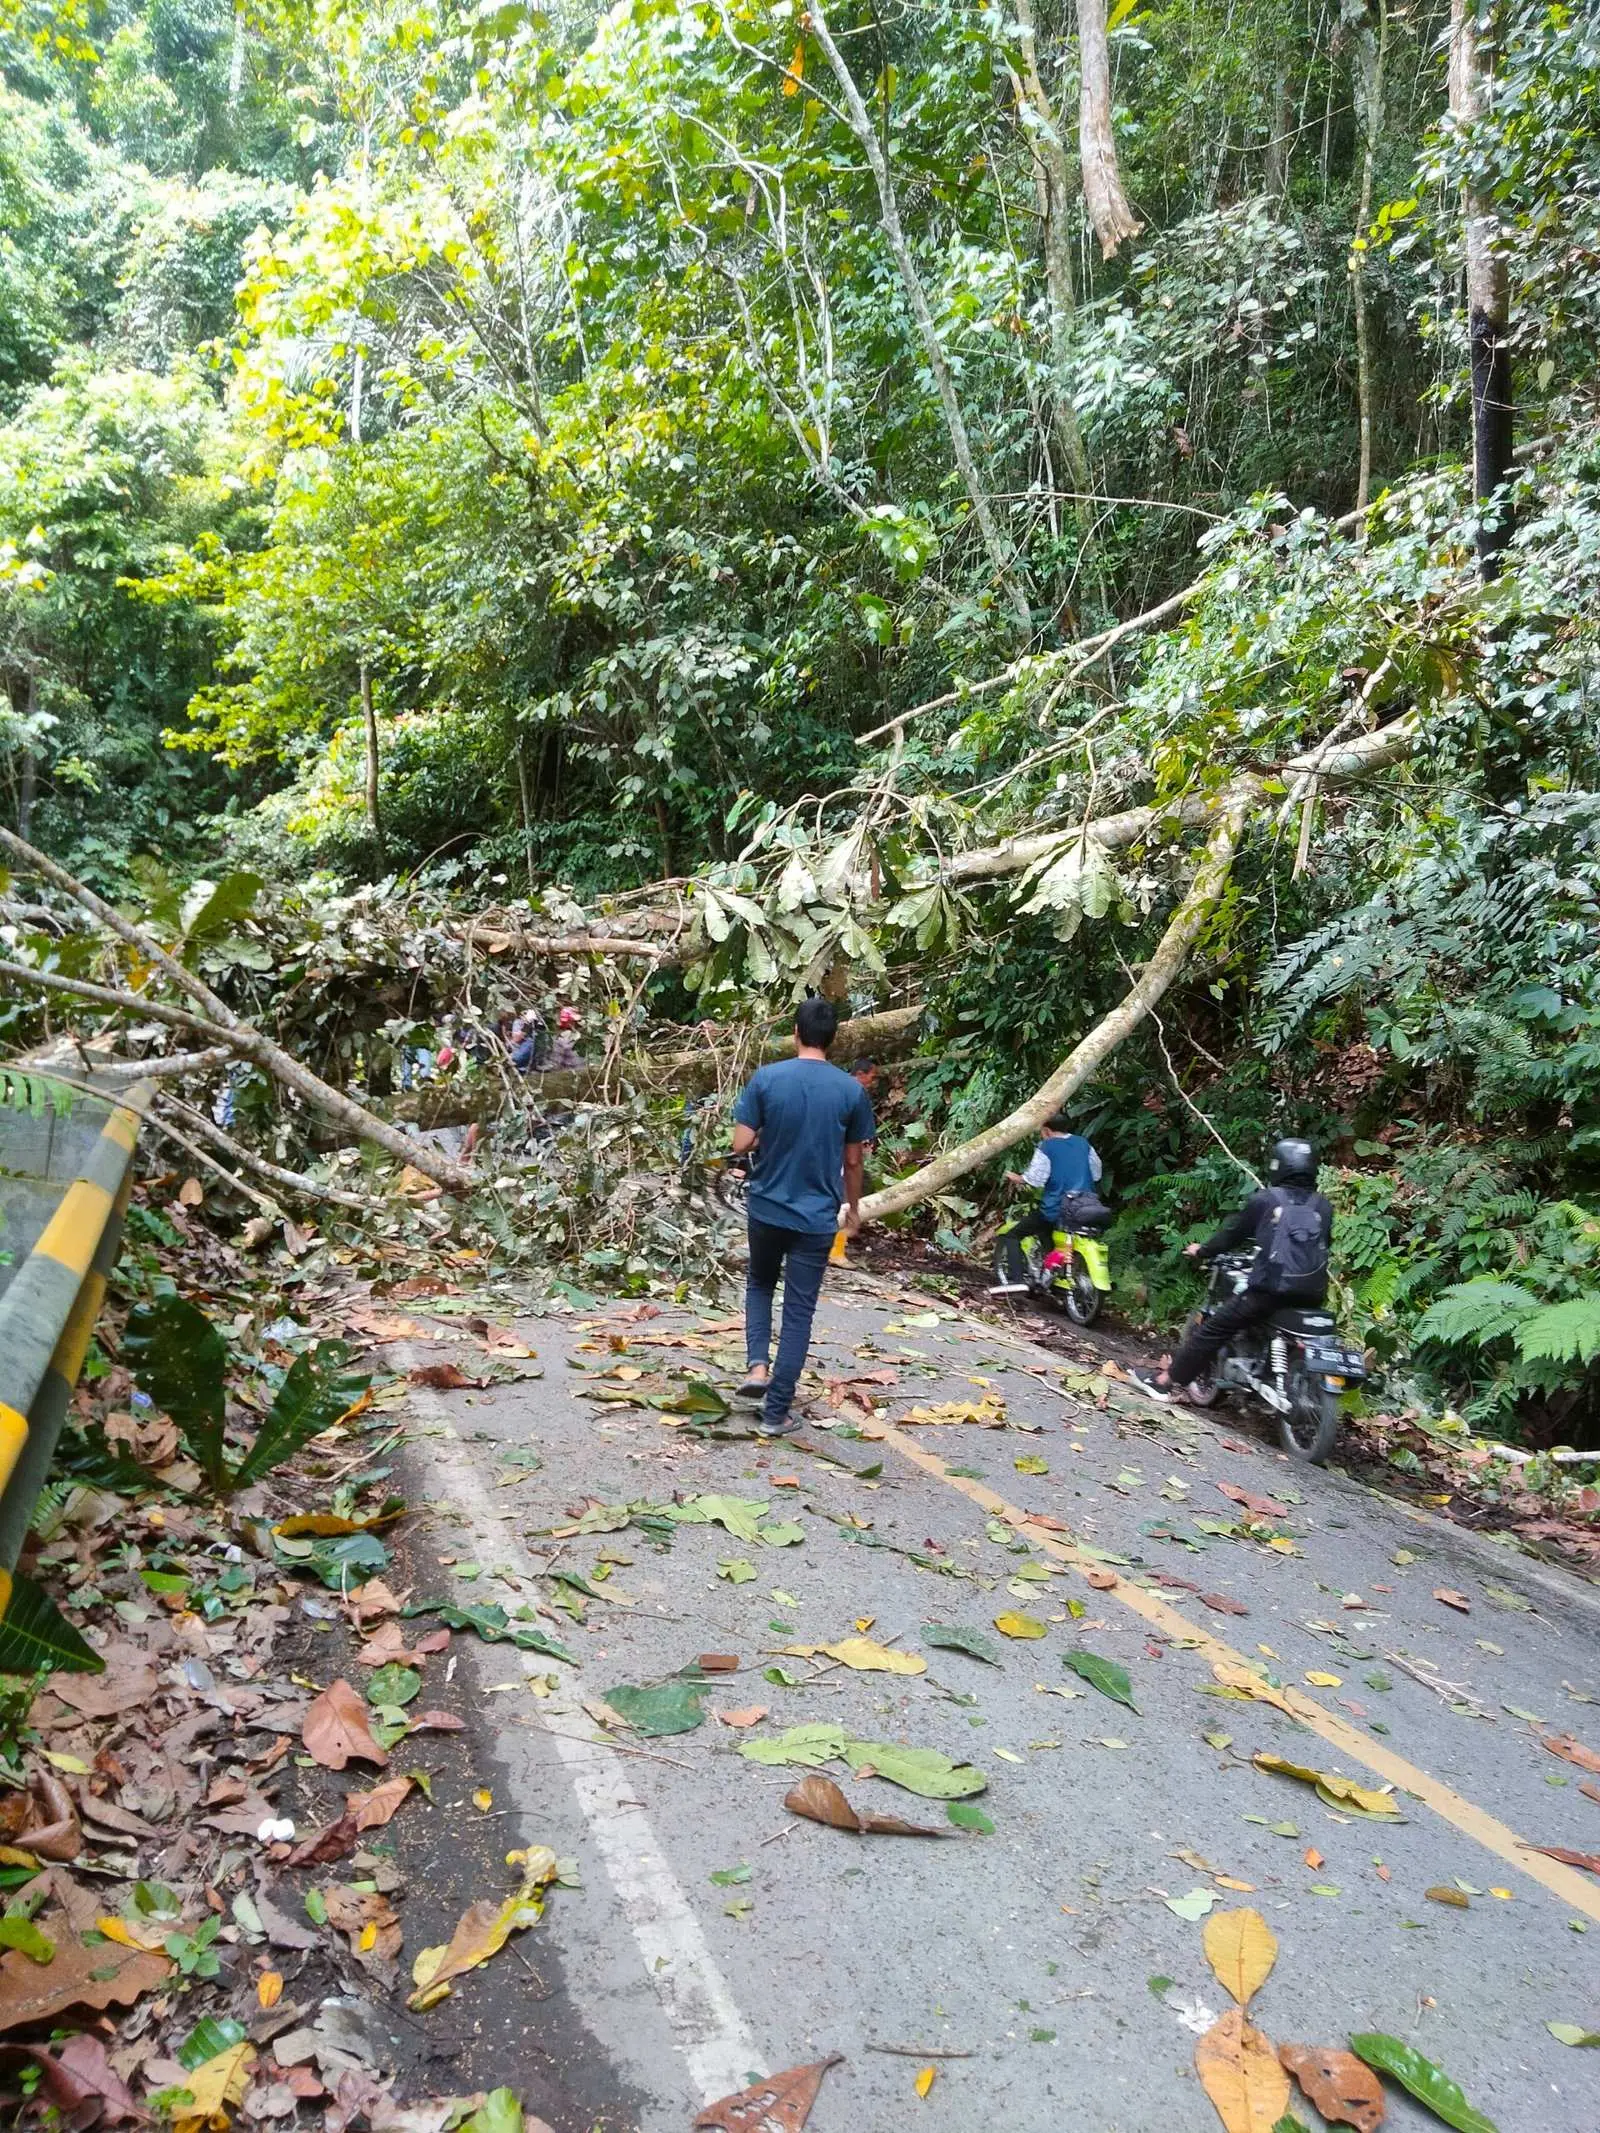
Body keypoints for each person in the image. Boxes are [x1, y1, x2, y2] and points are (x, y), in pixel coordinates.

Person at [730, 996, 875, 1437]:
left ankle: (757, 1367)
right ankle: (775, 1414)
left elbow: (740, 1145)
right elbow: (853, 1162)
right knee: (798, 1311)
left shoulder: (767, 1079)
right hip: (815, 1218)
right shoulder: (852, 1091)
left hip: (767, 1207)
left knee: (759, 1283)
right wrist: (851, 1209)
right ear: (833, 1040)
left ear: (795, 1032)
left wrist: (764, 1137)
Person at [1132, 1138, 1333, 1403]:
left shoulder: (1266, 1200)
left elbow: (1231, 1236)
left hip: (1269, 1292)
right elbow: (1321, 1245)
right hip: (1313, 1295)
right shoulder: (1323, 1206)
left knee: (1213, 1329)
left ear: (1279, 1166)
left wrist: (1202, 1251)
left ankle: (1163, 1382)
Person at [1003, 1113, 1104, 1267]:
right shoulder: (1083, 1143)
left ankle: (1016, 1280)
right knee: (1046, 1231)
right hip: (1087, 1206)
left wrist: (1018, 1178)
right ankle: (1050, 1267)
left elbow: (1037, 1179)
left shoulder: (1047, 1146)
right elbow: (1096, 1174)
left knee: (1012, 1235)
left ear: (1047, 1131)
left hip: (1059, 1207)